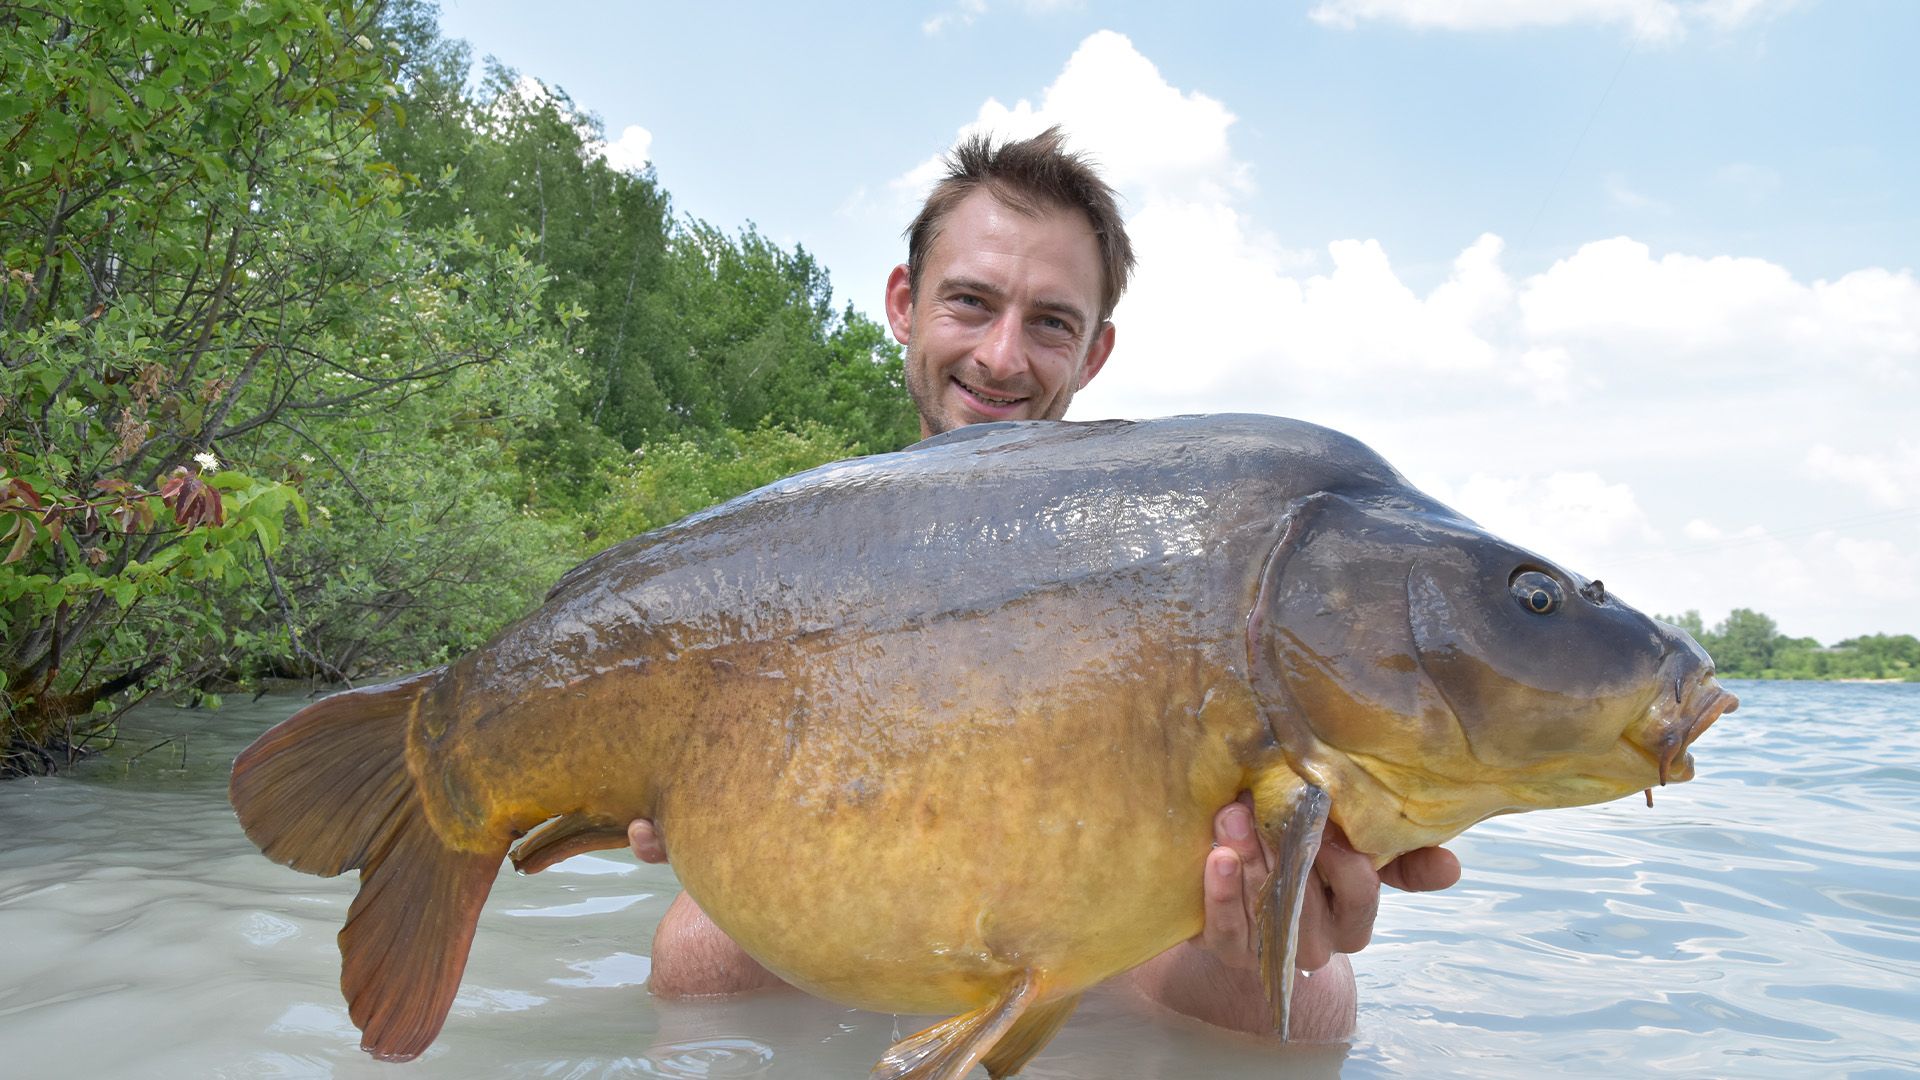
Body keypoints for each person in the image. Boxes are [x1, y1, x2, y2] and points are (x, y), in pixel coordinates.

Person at [626, 127, 1461, 1042]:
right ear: (905, 303)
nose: (1001, 357)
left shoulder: (1162, 554)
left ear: (1095, 353)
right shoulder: (784, 555)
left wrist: (1268, 912)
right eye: (971, 303)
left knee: (1311, 1008)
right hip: (842, 923)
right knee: (692, 956)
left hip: (1101, 937)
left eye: (1051, 323)